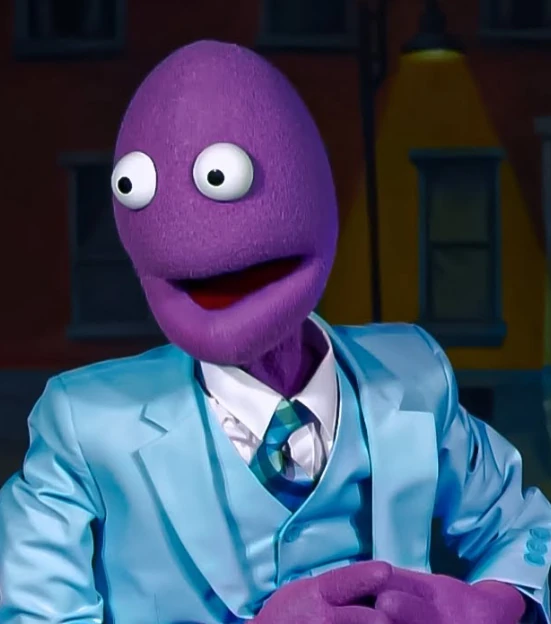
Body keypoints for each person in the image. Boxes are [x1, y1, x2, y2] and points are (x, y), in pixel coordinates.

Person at [0, 40, 549, 624]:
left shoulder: (412, 371)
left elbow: (528, 528)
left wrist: (490, 604)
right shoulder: (83, 423)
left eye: (220, 178)